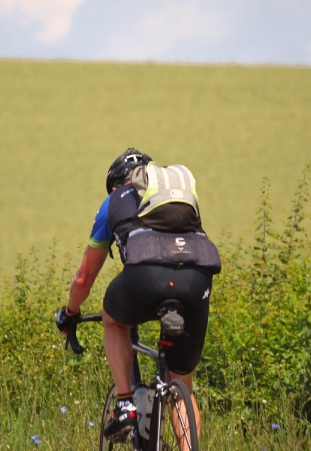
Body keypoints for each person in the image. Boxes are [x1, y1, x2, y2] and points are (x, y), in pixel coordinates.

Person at [54, 148, 216, 442]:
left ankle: (126, 404)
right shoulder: (177, 197)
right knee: (182, 387)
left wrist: (70, 313)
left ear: (116, 183)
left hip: (145, 279)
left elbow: (84, 276)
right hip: (197, 279)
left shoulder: (113, 201)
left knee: (113, 320)